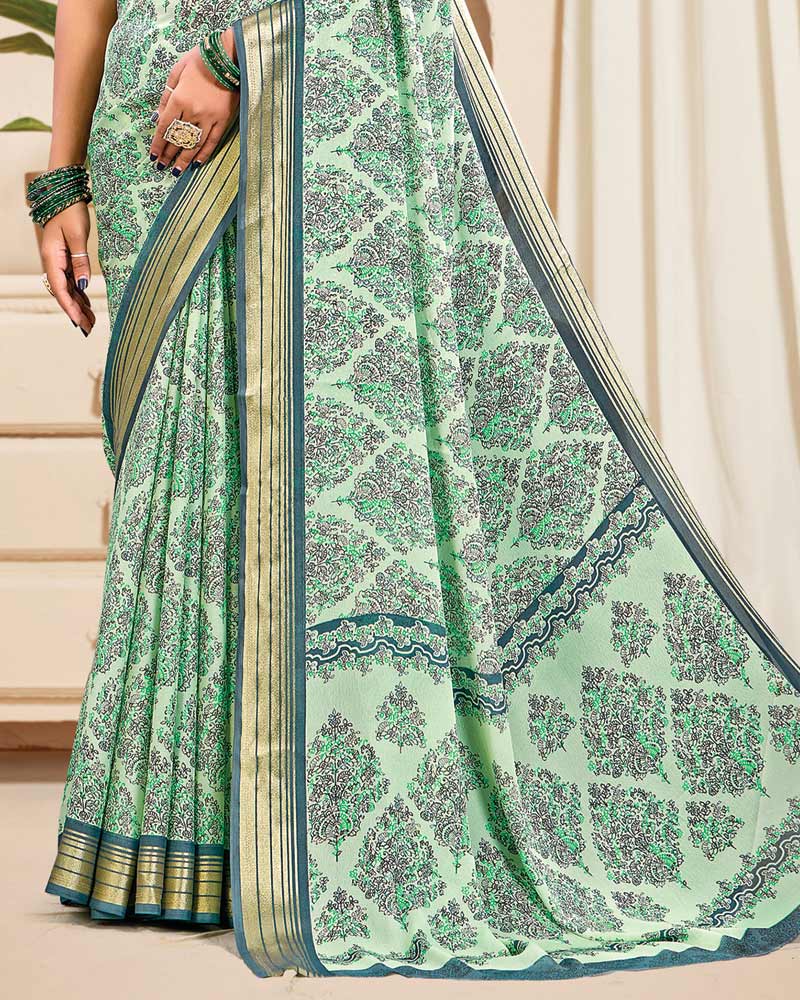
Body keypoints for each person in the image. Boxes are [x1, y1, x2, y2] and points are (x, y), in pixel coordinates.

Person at [38, 0, 800, 980]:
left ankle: (312, 829)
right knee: (185, 475)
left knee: (333, 464)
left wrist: (239, 56)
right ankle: (181, 843)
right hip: (155, 117)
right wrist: (59, 175)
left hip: (309, 84)